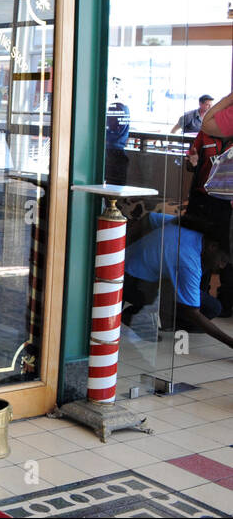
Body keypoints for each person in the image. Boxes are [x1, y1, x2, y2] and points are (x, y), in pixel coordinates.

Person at [122, 212, 233, 345]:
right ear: (212, 246)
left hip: (128, 271)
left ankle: (147, 316)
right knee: (209, 309)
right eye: (222, 260)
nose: (221, 266)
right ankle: (137, 317)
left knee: (213, 306)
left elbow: (149, 218)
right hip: (132, 284)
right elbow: (192, 312)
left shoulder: (190, 229)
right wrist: (229, 342)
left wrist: (124, 246)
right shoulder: (189, 262)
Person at [104, 78, 131, 186]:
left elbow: (111, 128)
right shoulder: (125, 108)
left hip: (111, 153)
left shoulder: (114, 108)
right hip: (119, 153)